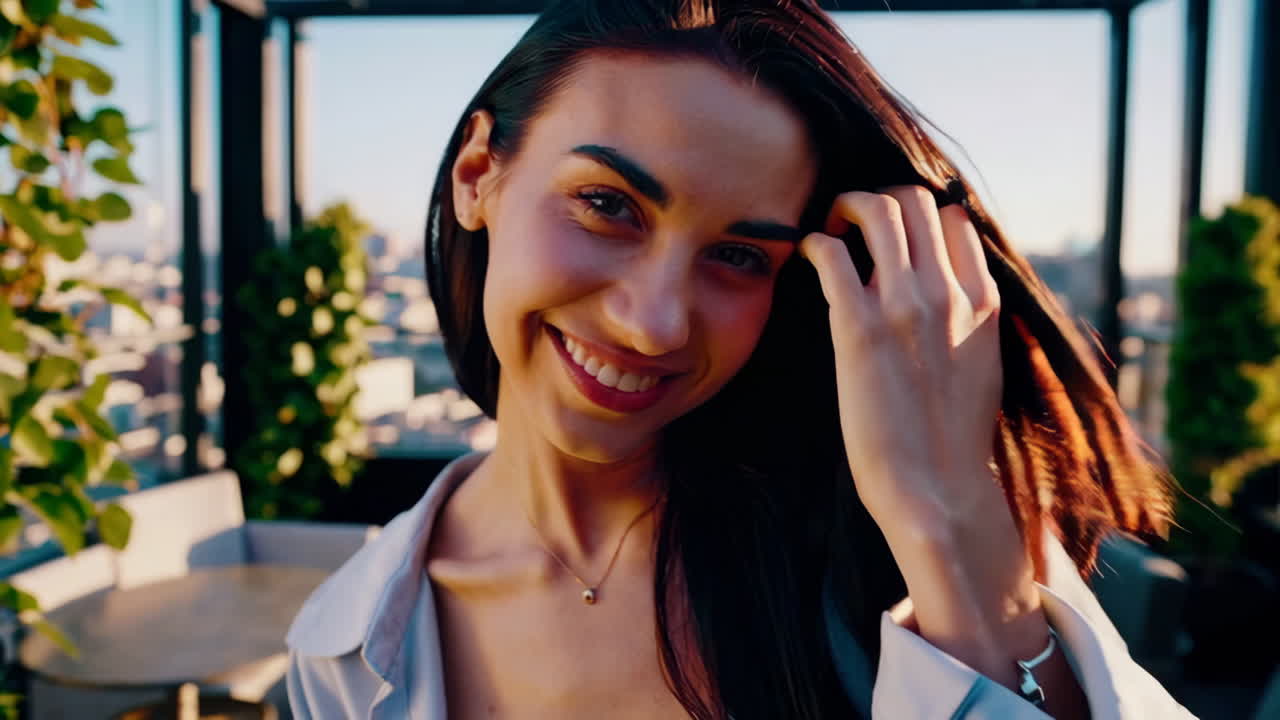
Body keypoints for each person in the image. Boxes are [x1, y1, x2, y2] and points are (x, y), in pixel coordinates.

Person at [285, 1, 1198, 718]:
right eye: (608, 205)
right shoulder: (348, 648)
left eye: (738, 256)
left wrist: (950, 530)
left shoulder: (884, 547)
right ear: (479, 173)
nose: (654, 325)